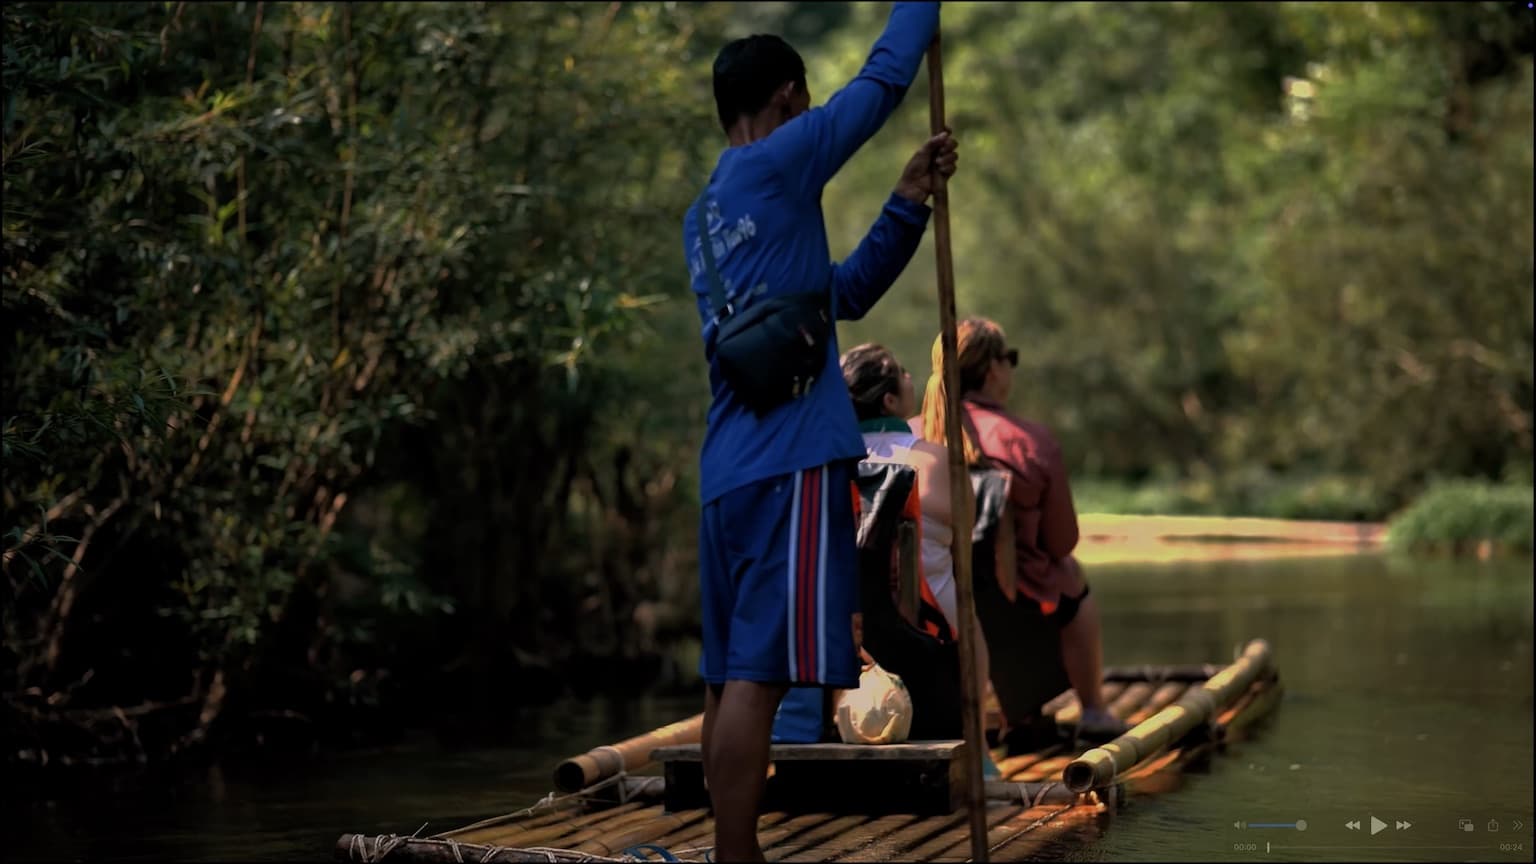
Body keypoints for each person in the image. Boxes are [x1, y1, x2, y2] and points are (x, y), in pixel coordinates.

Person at [682, 4, 956, 861]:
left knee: (729, 679)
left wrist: (906, 200)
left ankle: (738, 849)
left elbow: (843, 295)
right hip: (786, 463)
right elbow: (881, 83)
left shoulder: (707, 217)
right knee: (759, 680)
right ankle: (737, 854)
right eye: (802, 105)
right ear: (788, 98)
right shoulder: (779, 159)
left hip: (725, 474)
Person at [915, 317, 1129, 742]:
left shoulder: (915, 435)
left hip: (929, 595)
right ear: (993, 369)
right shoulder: (1030, 440)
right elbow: (1062, 541)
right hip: (1013, 595)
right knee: (1071, 574)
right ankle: (1094, 710)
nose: (1011, 368)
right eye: (1009, 359)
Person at [841, 342, 1001, 777]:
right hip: (925, 622)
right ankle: (979, 746)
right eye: (904, 373)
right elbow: (967, 535)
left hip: (845, 624)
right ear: (890, 400)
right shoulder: (932, 459)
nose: (913, 377)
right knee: (969, 614)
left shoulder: (827, 463)